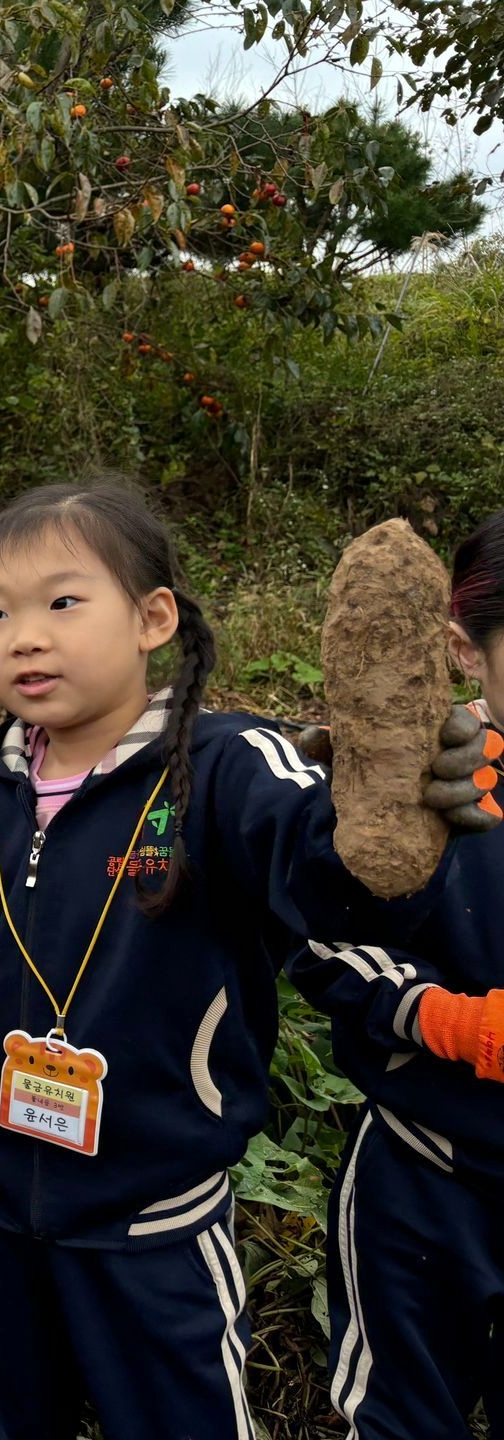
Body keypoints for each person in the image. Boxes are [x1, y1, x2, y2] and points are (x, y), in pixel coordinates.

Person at [0, 480, 497, 1440]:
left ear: (154, 619)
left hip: (152, 1225)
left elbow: (328, 882)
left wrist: (382, 801)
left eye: (62, 602)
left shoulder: (229, 770)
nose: (26, 637)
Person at [297, 508, 504, 1439]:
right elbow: (321, 940)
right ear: (464, 650)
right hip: (429, 1179)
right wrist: (447, 1019)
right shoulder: (427, 784)